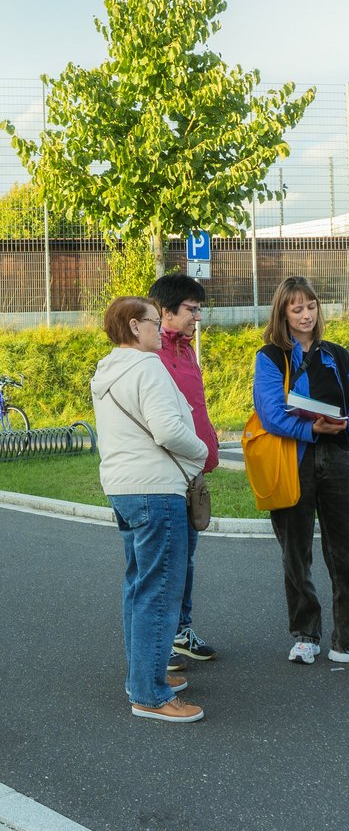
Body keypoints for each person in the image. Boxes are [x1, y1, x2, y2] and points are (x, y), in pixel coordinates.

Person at [253, 276, 349, 667]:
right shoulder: (270, 357)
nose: (306, 314)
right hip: (292, 460)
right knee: (296, 553)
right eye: (296, 308)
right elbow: (270, 414)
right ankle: (305, 634)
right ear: (282, 312)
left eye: (311, 306)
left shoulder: (339, 356)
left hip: (337, 461)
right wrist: (309, 427)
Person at [91, 296, 208, 723]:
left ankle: (144, 676)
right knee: (160, 592)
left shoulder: (107, 370)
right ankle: (151, 695)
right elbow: (168, 429)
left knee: (139, 587)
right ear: (133, 326)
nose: (161, 329)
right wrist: (200, 453)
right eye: (154, 322)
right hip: (156, 490)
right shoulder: (147, 366)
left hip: (124, 488)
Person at [148, 274, 218, 670]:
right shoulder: (150, 355)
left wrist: (206, 455)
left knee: (187, 557)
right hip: (165, 472)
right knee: (166, 562)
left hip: (192, 469)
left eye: (198, 309)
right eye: (192, 309)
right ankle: (160, 641)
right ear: (165, 311)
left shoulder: (188, 350)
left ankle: (180, 630)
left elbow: (195, 408)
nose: (197, 316)